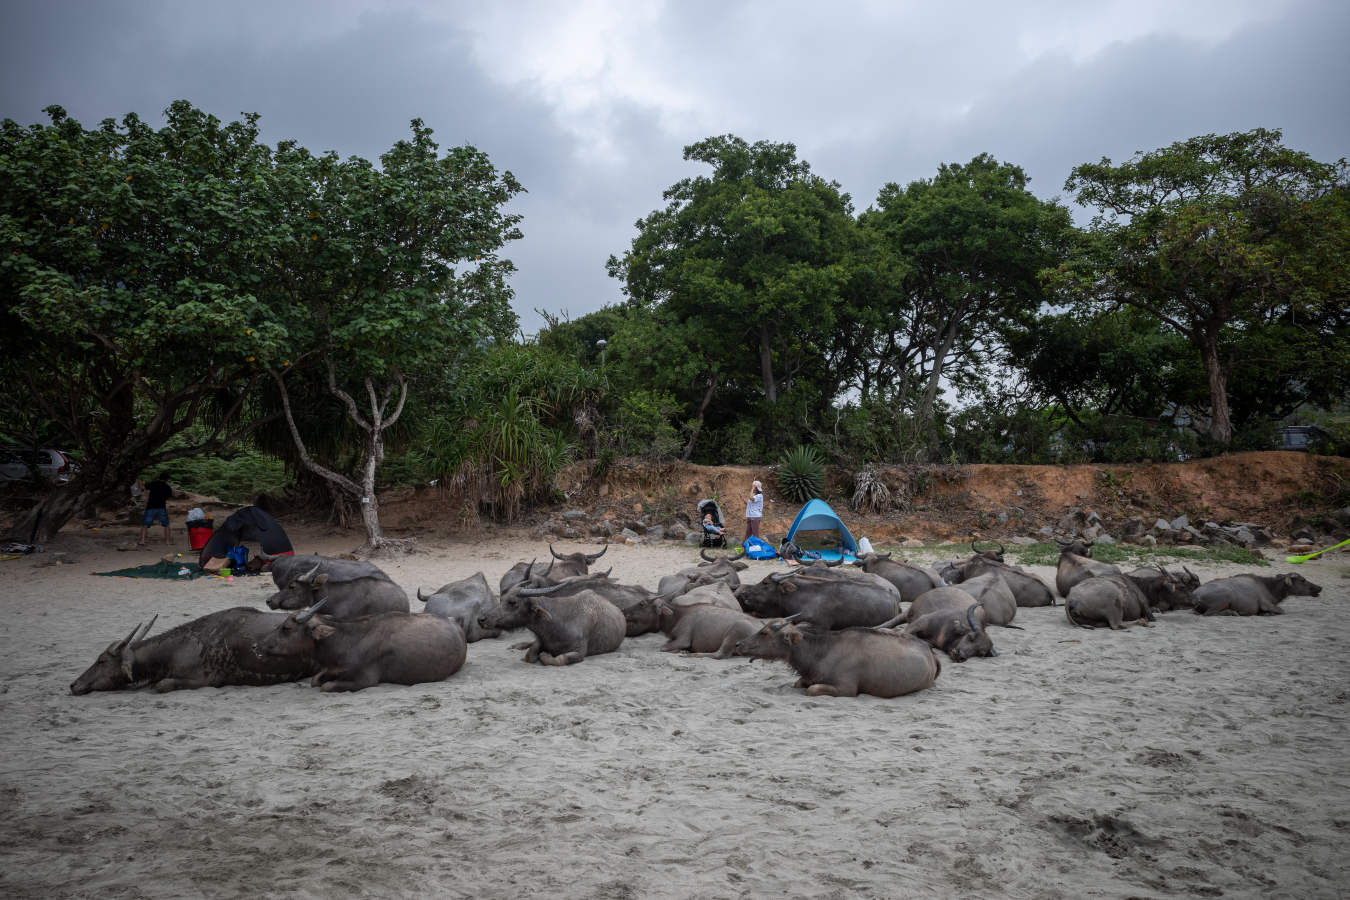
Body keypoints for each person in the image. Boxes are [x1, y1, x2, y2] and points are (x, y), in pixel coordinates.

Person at [137, 473, 172, 547]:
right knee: (166, 525)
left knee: (145, 524)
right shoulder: (167, 487)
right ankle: (167, 541)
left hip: (151, 507)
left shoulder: (153, 483)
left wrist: (138, 481)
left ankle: (142, 541)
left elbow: (142, 487)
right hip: (161, 507)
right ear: (167, 480)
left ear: (159, 478)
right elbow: (168, 497)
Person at [744, 479, 764, 544]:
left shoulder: (759, 496)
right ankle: (745, 547)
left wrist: (752, 489)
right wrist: (742, 498)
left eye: (754, 486)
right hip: (750, 516)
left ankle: (757, 547)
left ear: (757, 488)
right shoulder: (755, 495)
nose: (752, 487)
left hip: (755, 516)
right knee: (747, 533)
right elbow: (749, 503)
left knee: (755, 533)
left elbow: (751, 498)